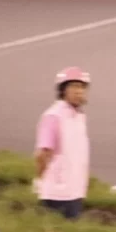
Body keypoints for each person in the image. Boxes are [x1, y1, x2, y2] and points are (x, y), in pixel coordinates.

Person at [34, 67, 91, 220]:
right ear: (63, 90)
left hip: (75, 192)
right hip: (56, 195)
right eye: (73, 86)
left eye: (81, 87)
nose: (78, 91)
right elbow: (42, 154)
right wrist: (40, 182)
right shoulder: (53, 116)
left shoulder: (79, 116)